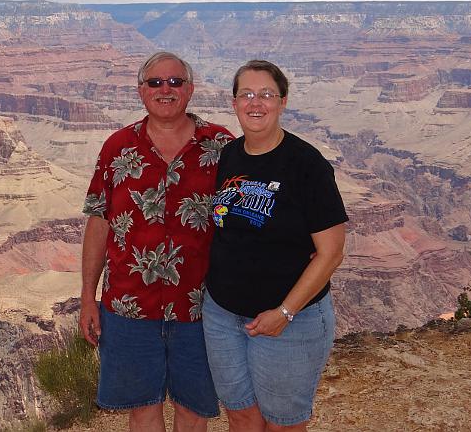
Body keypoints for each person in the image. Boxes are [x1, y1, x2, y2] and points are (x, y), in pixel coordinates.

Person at [80, 51, 234, 432]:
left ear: (190, 90)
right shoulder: (117, 147)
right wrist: (88, 296)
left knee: (194, 409)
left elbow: (241, 222)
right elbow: (99, 222)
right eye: (156, 83)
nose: (166, 90)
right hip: (129, 306)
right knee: (142, 407)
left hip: (201, 305)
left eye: (175, 82)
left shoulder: (220, 145)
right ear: (140, 91)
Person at [202, 60, 348, 432]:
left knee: (282, 424)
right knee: (241, 415)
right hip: (222, 314)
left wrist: (284, 313)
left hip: (289, 321)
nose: (256, 103)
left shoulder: (306, 165)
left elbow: (331, 252)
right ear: (233, 103)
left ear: (283, 102)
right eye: (246, 94)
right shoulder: (230, 155)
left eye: (267, 94)